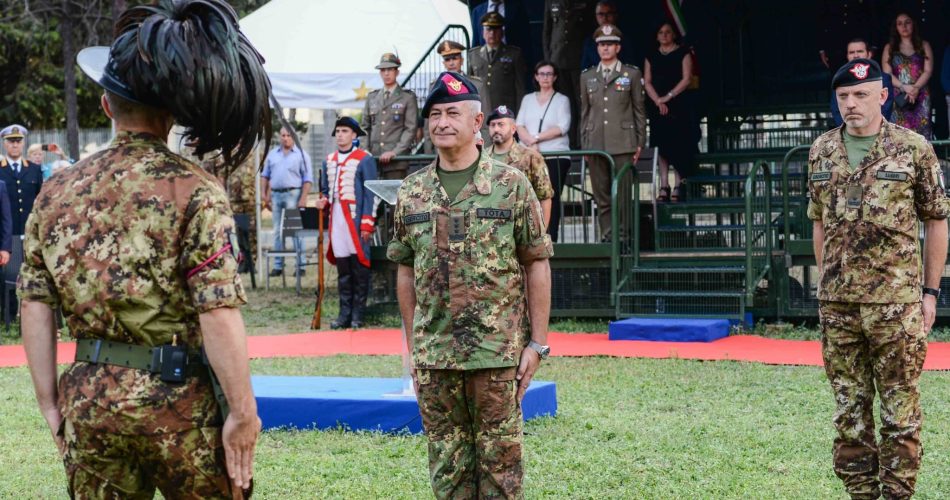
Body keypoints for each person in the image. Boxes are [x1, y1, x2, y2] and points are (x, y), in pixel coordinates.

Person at [19, 0, 268, 497]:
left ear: (106, 105)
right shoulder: (197, 190)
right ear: (171, 114)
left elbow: (34, 305)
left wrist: (50, 402)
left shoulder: (55, 190)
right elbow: (217, 312)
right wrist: (244, 413)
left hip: (90, 401)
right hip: (180, 404)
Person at [388, 71, 552, 499]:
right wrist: (413, 346)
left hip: (496, 354)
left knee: (501, 473)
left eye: (452, 113)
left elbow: (536, 262)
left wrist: (537, 344)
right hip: (435, 356)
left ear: (477, 122)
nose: (441, 122)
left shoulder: (511, 186)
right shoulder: (412, 191)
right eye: (434, 115)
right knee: (448, 473)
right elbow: (405, 268)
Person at [809, 58, 949, 499]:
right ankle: (862, 494)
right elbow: (819, 222)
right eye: (843, 96)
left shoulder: (913, 148)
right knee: (849, 414)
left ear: (883, 96)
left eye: (861, 94)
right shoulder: (821, 150)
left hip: (896, 305)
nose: (851, 103)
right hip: (839, 308)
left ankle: (897, 495)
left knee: (899, 413)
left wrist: (930, 293)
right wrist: (825, 287)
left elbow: (937, 220)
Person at [579, 24, 645, 240]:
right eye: (601, 45)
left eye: (610, 44)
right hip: (595, 142)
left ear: (618, 47)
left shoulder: (631, 74)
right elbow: (585, 113)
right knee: (601, 195)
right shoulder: (587, 76)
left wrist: (640, 142)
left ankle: (623, 238)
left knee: (623, 195)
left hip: (623, 142)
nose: (605, 48)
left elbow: (639, 110)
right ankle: (608, 236)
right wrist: (584, 143)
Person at [315, 117, 379, 329]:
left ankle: (358, 315)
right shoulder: (329, 160)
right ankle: (344, 314)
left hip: (356, 220)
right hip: (337, 221)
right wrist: (323, 201)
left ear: (354, 135)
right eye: (338, 131)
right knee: (343, 268)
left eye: (344, 131)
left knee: (359, 267)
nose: (340, 135)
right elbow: (326, 192)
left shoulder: (364, 159)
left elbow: (371, 193)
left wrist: (367, 222)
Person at [517, 61, 571, 241]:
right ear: (536, 76)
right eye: (541, 74)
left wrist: (536, 138)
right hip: (528, 155)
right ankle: (529, 238)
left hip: (555, 154)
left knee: (550, 197)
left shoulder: (562, 99)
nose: (545, 77)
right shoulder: (527, 99)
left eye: (549, 74)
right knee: (527, 198)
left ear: (555, 77)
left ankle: (550, 238)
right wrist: (530, 143)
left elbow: (562, 126)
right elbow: (519, 125)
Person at [644, 22, 696, 202]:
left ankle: (678, 184)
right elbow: (647, 81)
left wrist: (668, 97)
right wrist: (657, 100)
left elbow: (687, 79)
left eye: (667, 32)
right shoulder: (651, 55)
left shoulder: (683, 53)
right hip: (657, 105)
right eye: (660, 32)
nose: (664, 35)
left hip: (678, 104)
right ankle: (664, 184)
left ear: (674, 34)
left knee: (678, 144)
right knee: (661, 145)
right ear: (656, 36)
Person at [486, 104, 554, 228]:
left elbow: (545, 197)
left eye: (501, 124)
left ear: (513, 129)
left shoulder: (531, 157)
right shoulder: (482, 158)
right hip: (489, 230)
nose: (496, 129)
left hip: (521, 228)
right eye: (492, 125)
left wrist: (542, 231)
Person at [262, 126, 313, 278]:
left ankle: (300, 265)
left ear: (293, 137)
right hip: (276, 195)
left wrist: (303, 198)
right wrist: (264, 195)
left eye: (288, 135)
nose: (285, 138)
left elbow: (307, 179)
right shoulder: (272, 155)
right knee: (278, 231)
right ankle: (278, 265)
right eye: (283, 135)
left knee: (295, 231)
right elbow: (265, 175)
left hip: (293, 194)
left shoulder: (302, 155)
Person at [424, 40, 492, 152]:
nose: (451, 63)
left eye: (455, 58)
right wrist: (428, 153)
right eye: (447, 59)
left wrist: (484, 151)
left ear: (462, 60)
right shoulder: (435, 86)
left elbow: (485, 124)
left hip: (471, 148)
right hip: (443, 149)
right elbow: (429, 124)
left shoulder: (477, 84)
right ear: (443, 63)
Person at [543, 0, 595, 148]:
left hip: (579, 60)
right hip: (558, 59)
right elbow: (547, 32)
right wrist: (548, 61)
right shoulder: (551, 2)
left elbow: (590, 30)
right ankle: (569, 142)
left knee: (582, 103)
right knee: (564, 104)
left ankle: (581, 142)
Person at [361, 53, 418, 180]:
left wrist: (395, 152)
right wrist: (365, 150)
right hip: (373, 160)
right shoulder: (372, 97)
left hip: (396, 162)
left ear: (397, 72)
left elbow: (410, 129)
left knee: (394, 192)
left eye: (390, 69)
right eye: (383, 70)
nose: (386, 73)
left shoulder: (407, 97)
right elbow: (365, 127)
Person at [882, 12, 934, 139]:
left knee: (922, 132)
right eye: (899, 24)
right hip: (899, 96)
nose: (904, 26)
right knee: (899, 133)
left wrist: (915, 88)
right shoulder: (889, 48)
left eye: (907, 22)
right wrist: (904, 87)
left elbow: (928, 70)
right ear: (896, 27)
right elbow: (887, 73)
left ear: (913, 24)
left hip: (920, 94)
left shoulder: (924, 45)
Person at [467, 12, 527, 114]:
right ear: (483, 32)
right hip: (481, 109)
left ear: (502, 32)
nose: (492, 33)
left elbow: (520, 88)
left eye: (496, 29)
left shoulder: (514, 54)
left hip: (505, 110)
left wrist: (519, 114)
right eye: (488, 29)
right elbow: (470, 86)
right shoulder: (473, 54)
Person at [830, 38, 895, 127]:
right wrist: (849, 129)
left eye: (860, 51)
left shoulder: (883, 78)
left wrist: (873, 128)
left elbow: (886, 107)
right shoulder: (839, 80)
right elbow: (836, 109)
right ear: (847, 56)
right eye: (851, 52)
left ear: (869, 54)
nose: (856, 55)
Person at [0, 124, 43, 235]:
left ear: (23, 144)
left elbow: (40, 200)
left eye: (18, 142)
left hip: (31, 231)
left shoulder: (35, 169)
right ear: (5, 144)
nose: (15, 145)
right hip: (5, 233)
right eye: (11, 142)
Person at [579, 1, 636, 72]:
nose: (605, 17)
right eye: (601, 14)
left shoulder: (624, 40)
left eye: (609, 13)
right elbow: (585, 69)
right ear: (596, 16)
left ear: (615, 15)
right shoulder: (589, 42)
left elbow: (630, 68)